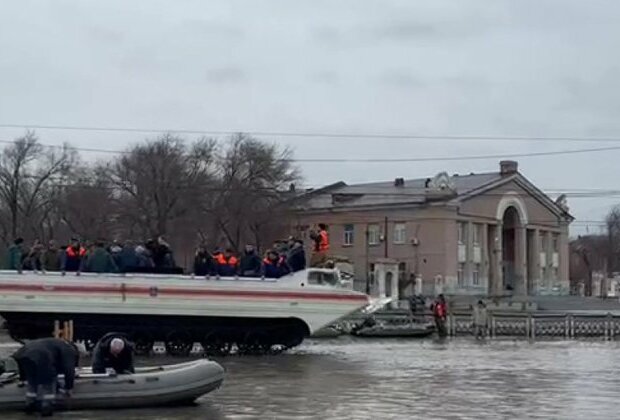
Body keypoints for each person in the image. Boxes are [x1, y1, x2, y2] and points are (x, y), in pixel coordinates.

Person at [12, 337, 79, 417]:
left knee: (32, 382)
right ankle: (46, 408)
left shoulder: (54, 343)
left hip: (22, 354)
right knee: (48, 383)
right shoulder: (68, 350)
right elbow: (69, 370)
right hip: (41, 356)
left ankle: (30, 406)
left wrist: (22, 378)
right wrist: (69, 387)